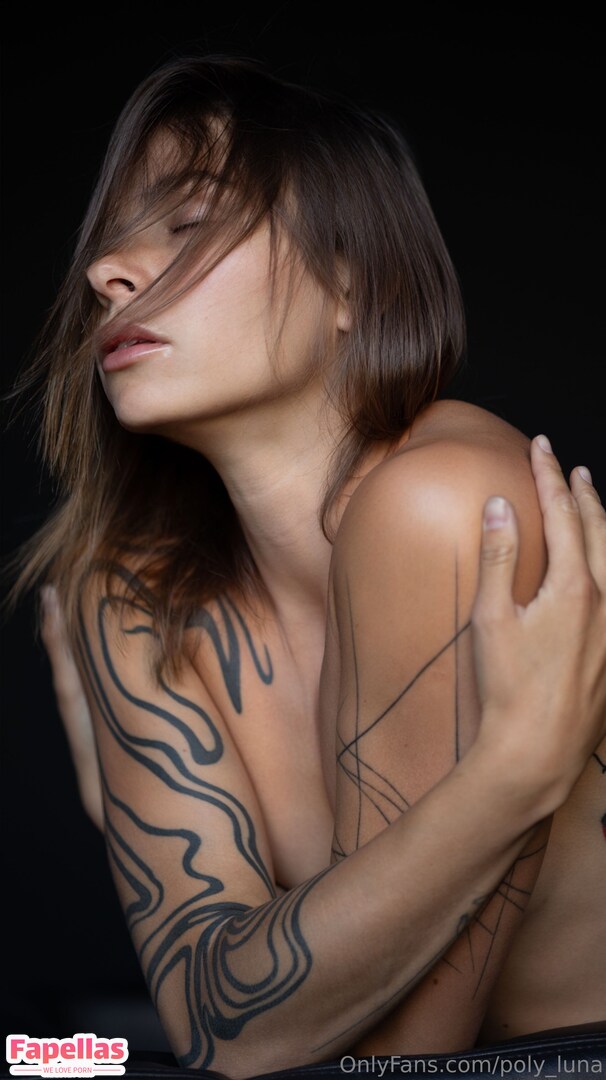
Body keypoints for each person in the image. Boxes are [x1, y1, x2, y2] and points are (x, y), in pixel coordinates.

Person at [7, 54, 605, 1078]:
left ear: (352, 281)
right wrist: (512, 780)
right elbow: (217, 1032)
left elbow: (392, 1060)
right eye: (110, 242)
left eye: (189, 223)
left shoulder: (447, 503)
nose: (107, 272)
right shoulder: (132, 589)